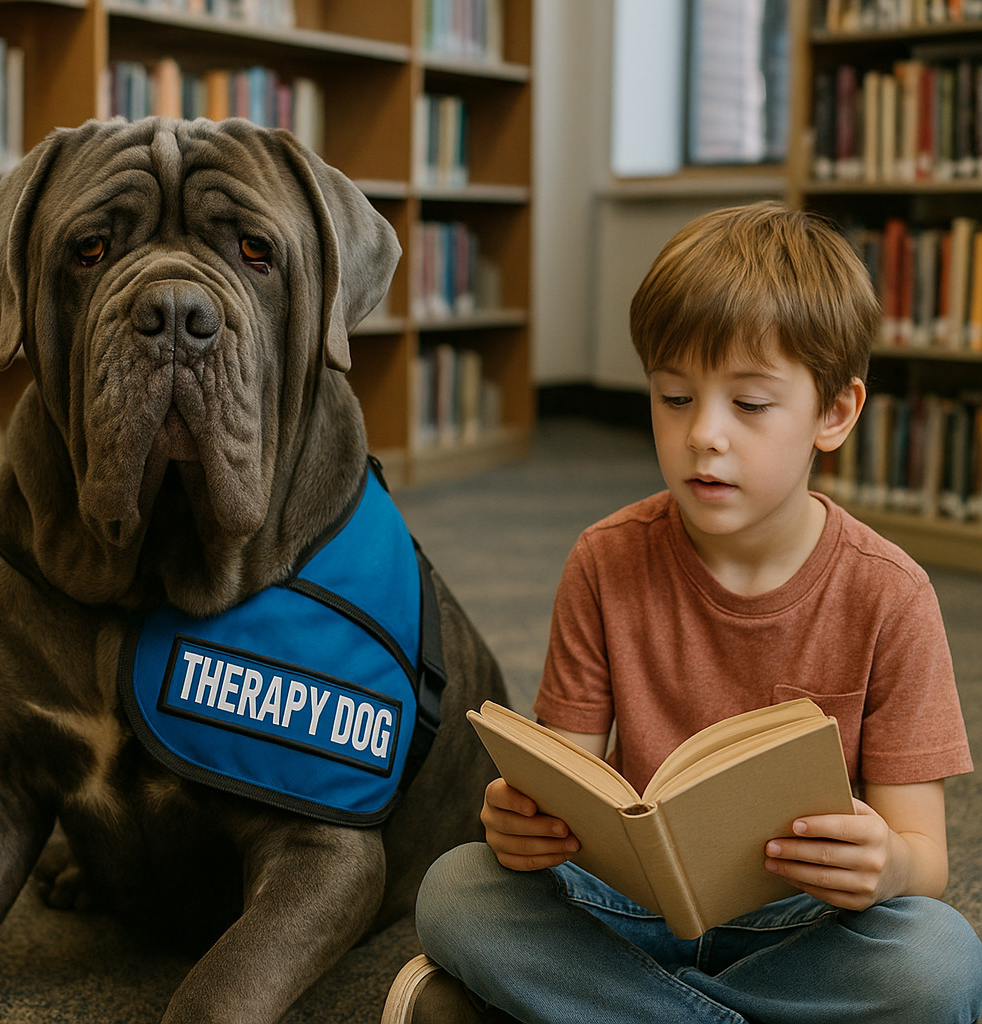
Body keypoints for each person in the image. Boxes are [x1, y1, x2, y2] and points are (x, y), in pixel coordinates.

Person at [415, 202, 982, 1024]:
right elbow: (563, 784)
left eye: (749, 406)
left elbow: (924, 858)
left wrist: (886, 864)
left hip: (801, 927)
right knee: (456, 890)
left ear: (835, 413)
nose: (703, 435)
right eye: (674, 397)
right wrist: (521, 825)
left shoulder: (891, 593)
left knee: (939, 960)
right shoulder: (605, 559)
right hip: (627, 912)